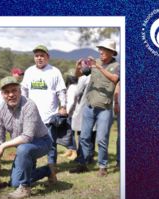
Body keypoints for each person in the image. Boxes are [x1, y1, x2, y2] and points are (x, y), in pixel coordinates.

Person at [0, 77, 54, 199]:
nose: (11, 95)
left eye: (14, 90)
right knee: (14, 183)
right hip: (24, 148)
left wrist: (3, 146)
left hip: (42, 142)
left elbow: (27, 137)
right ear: (2, 94)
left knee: (23, 149)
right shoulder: (0, 110)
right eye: (7, 92)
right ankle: (47, 170)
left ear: (20, 91)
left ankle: (25, 188)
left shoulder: (29, 105)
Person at [70, 39, 120, 177]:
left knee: (102, 139)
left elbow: (115, 79)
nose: (101, 51)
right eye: (100, 49)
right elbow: (79, 75)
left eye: (104, 49)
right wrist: (77, 67)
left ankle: (102, 166)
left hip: (105, 109)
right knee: (84, 137)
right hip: (89, 107)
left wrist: (99, 67)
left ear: (111, 52)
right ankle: (84, 163)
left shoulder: (116, 65)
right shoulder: (93, 64)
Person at [21, 45, 67, 183]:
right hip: (32, 117)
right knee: (30, 145)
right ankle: (32, 173)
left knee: (51, 146)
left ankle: (52, 173)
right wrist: (22, 106)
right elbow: (24, 90)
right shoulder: (29, 71)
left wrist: (63, 106)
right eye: (36, 55)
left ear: (48, 57)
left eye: (42, 55)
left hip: (49, 116)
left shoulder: (54, 72)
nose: (39, 58)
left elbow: (61, 91)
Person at [114, 82, 121, 169]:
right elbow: (118, 85)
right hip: (122, 108)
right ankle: (119, 161)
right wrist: (116, 103)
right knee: (121, 136)